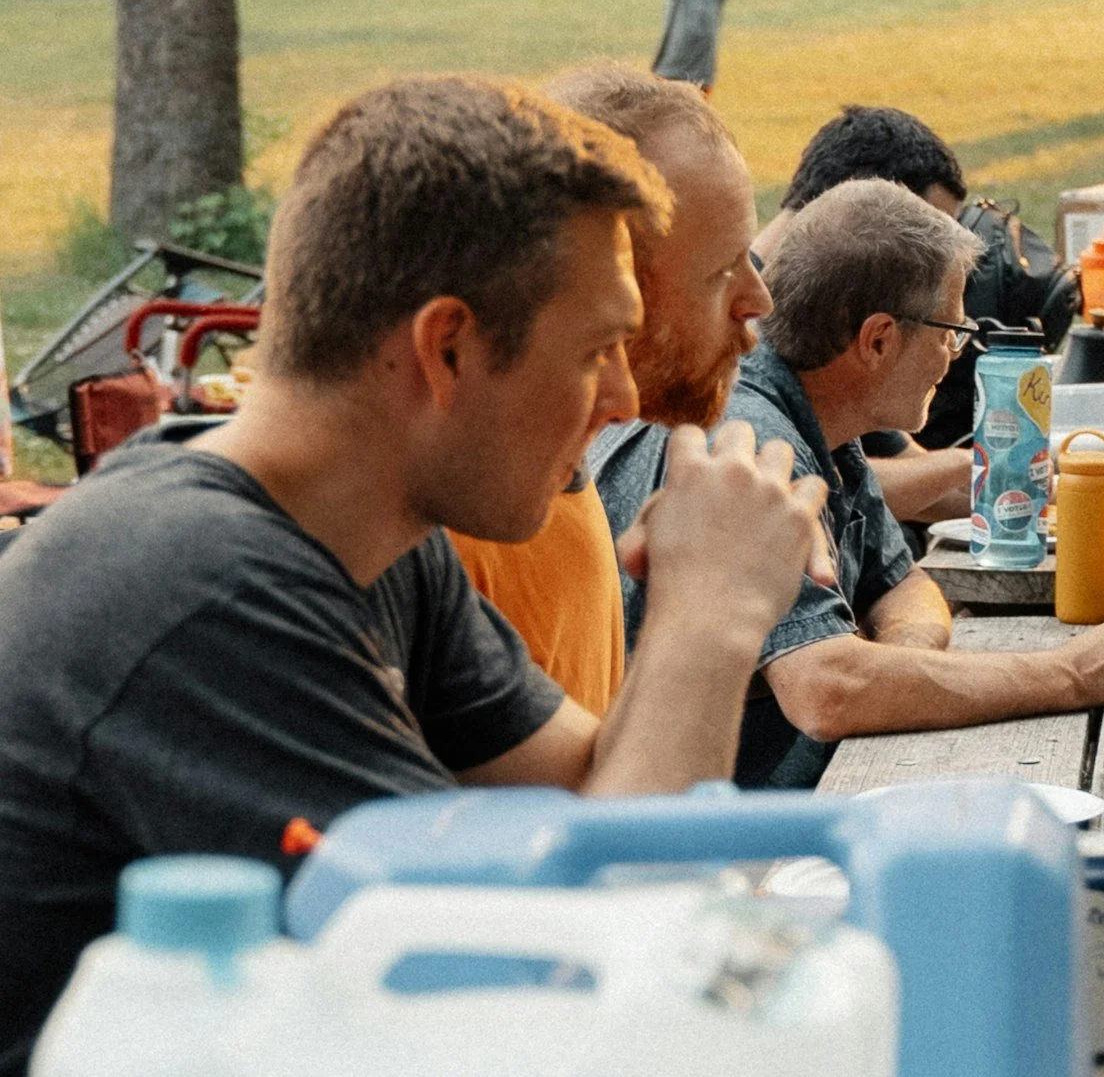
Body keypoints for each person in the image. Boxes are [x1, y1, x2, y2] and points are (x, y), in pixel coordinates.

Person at [0, 78, 825, 1074]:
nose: (620, 392)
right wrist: (710, 614)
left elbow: (593, 796)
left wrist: (699, 590)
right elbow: (548, 996)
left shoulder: (376, 539)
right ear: (448, 347)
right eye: (598, 346)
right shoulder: (202, 591)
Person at [595, 178, 1104, 789]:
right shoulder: (752, 441)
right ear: (878, 340)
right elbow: (824, 688)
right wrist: (1072, 673)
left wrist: (895, 667)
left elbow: (904, 585)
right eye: (951, 333)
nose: (955, 355)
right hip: (709, 846)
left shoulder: (824, 418)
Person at [447, 65, 773, 712]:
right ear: (611, 275)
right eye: (721, 272)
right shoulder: (464, 533)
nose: (757, 301)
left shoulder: (561, 472)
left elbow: (592, 780)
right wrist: (711, 610)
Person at [753, 104, 1076, 524]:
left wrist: (1059, 488)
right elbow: (803, 488)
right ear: (869, 213)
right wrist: (971, 464)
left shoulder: (844, 336)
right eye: (927, 232)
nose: (946, 259)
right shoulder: (741, 339)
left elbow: (909, 480)